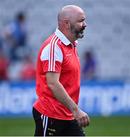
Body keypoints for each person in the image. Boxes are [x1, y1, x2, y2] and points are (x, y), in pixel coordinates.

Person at [32, 5, 90, 136]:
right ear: (67, 24)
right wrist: (76, 110)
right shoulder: (54, 47)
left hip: (67, 115)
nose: (85, 24)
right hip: (51, 114)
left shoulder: (71, 44)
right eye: (81, 21)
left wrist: (73, 111)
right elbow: (53, 83)